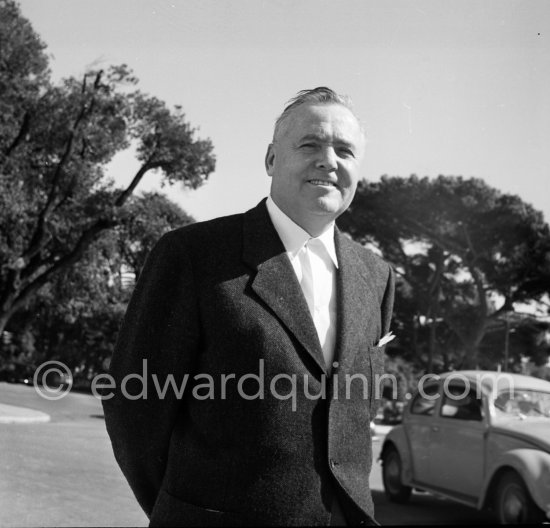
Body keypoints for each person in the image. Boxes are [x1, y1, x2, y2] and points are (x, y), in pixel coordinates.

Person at [103, 87, 395, 526]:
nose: (328, 161)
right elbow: (134, 410)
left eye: (345, 151)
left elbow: (355, 414)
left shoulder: (377, 275)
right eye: (310, 144)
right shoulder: (193, 255)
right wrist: (181, 513)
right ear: (272, 160)